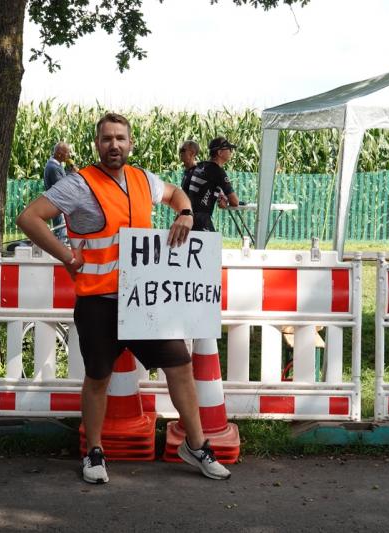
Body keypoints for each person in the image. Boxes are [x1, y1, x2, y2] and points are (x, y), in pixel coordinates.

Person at [17, 113, 231, 484]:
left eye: (120, 138)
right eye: (106, 139)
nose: (113, 145)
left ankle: (196, 445)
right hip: (98, 301)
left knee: (180, 364)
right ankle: (94, 452)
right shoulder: (79, 183)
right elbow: (29, 217)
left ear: (130, 143)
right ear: (97, 145)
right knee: (98, 377)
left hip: (142, 301)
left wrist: (184, 213)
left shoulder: (142, 179)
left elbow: (174, 193)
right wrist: (67, 255)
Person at [181, 136, 240, 231]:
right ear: (220, 153)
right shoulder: (218, 171)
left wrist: (220, 195)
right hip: (201, 220)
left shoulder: (199, 166)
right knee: (213, 241)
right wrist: (225, 199)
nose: (231, 151)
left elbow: (202, 187)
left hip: (185, 218)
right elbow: (235, 201)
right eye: (229, 149)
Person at [43, 142, 72, 242]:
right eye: (67, 153)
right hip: (57, 204)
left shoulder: (56, 165)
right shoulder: (53, 167)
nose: (69, 155)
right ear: (59, 154)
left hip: (58, 203)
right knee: (60, 231)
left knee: (61, 229)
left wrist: (69, 171)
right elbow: (62, 186)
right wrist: (73, 175)